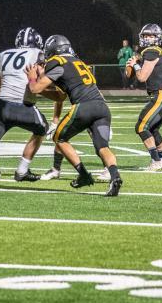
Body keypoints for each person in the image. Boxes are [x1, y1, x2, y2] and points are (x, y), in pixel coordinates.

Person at [26, 35, 122, 196]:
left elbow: (35, 89)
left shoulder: (56, 62)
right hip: (102, 107)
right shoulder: (79, 63)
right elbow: (61, 95)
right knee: (103, 147)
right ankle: (115, 176)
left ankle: (83, 175)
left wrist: (32, 78)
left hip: (84, 106)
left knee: (59, 138)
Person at [0, 27, 59, 182]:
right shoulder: (38, 55)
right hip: (24, 107)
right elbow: (41, 79)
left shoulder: (5, 55)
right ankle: (22, 170)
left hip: (2, 106)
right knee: (42, 129)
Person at [126, 23, 162, 171]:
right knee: (153, 129)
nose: (148, 38)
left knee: (141, 127)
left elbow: (142, 77)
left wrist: (135, 65)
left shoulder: (152, 51)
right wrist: (131, 64)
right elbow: (128, 75)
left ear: (158, 38)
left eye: (151, 36)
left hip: (161, 94)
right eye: (146, 35)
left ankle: (156, 161)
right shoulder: (157, 52)